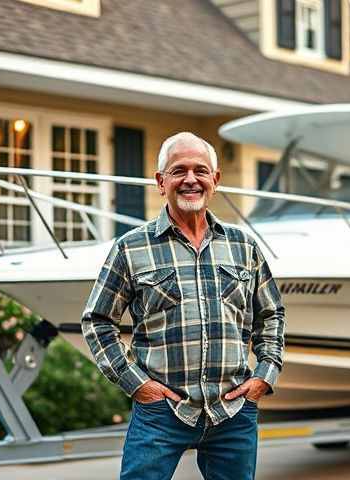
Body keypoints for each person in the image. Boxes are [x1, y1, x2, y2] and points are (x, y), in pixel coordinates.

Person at [81, 132, 285, 480]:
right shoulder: (131, 248)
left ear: (215, 180)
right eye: (178, 171)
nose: (190, 180)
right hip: (160, 413)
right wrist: (138, 385)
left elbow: (271, 314)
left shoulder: (243, 245)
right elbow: (98, 321)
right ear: (161, 182)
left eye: (200, 171)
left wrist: (263, 378)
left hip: (233, 412)